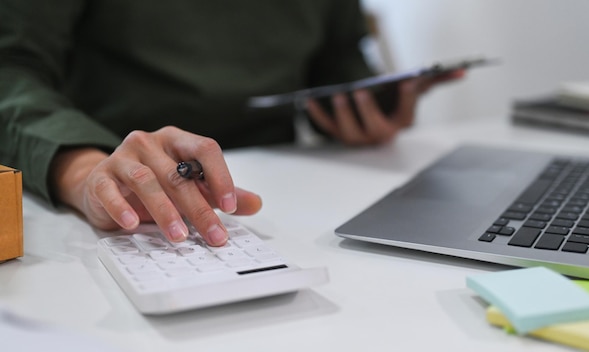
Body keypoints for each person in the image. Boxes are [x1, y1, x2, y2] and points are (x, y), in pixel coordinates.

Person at [0, 0, 463, 246]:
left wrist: (374, 107)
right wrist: (83, 172)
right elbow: (12, 69)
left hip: (291, 194)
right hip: (122, 193)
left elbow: (336, 59)